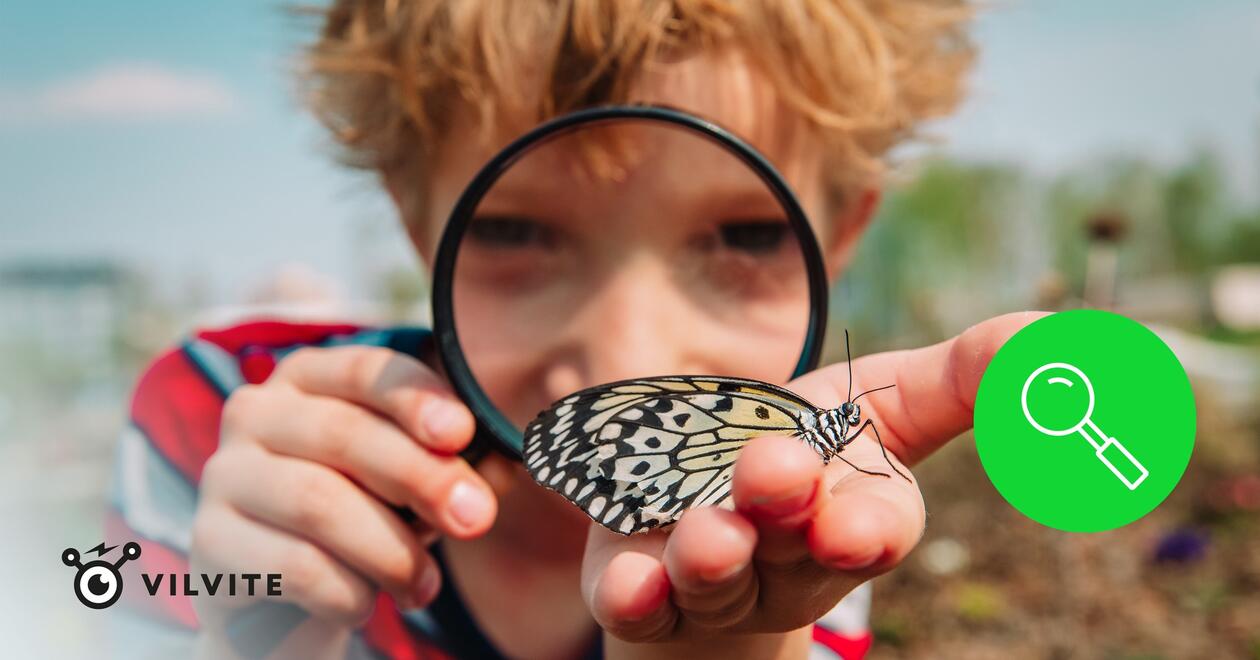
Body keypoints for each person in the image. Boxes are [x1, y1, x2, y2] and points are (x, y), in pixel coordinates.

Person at [106, 1, 1038, 658]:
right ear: (414, 219)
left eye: (747, 237)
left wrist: (723, 649)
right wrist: (245, 627)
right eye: (517, 232)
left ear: (840, 238)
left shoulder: (798, 532)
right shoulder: (214, 410)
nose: (625, 358)